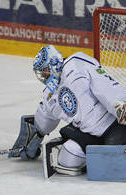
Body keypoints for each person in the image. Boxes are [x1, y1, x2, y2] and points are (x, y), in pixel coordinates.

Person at [10, 45, 126, 177]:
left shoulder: (76, 62)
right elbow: (44, 121)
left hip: (113, 124)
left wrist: (119, 103)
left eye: (46, 71)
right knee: (67, 158)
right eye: (41, 74)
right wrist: (35, 135)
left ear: (55, 62)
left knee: (114, 164)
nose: (44, 76)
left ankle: (101, 156)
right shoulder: (49, 94)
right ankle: (96, 157)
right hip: (87, 134)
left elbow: (103, 84)